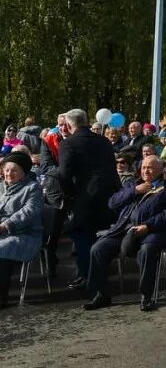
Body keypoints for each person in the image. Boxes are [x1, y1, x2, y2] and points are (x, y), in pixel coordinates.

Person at [83, 155, 166, 311]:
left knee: (147, 250)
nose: (146, 171)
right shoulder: (133, 184)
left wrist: (147, 226)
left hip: (152, 232)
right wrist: (135, 191)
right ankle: (101, 295)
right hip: (125, 230)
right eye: (143, 167)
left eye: (150, 167)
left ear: (161, 170)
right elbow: (112, 203)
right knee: (98, 248)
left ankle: (146, 296)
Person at [54, 109, 121, 289]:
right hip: (110, 194)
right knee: (103, 234)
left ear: (68, 125)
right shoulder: (104, 141)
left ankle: (87, 275)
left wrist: (69, 194)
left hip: (85, 196)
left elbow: (64, 174)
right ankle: (102, 272)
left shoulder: (68, 144)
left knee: (82, 235)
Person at [0, 152, 44, 309]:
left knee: (1, 250)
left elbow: (29, 211)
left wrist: (6, 225)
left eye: (14, 170)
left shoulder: (33, 188)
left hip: (25, 234)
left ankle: (2, 297)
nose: (8, 174)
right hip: (2, 233)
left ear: (24, 173)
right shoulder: (0, 187)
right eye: (6, 170)